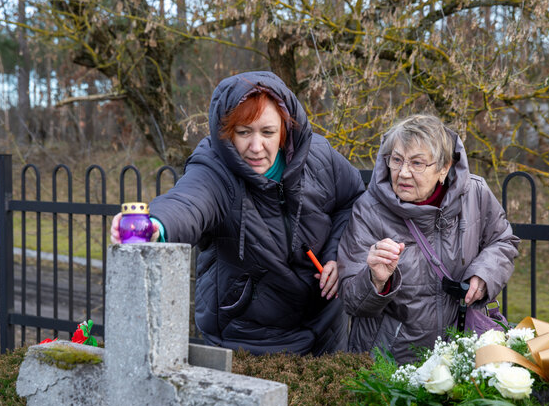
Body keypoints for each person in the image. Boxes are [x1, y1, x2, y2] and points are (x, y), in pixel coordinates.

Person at [110, 71, 365, 356]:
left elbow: (353, 201)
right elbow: (187, 203)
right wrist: (156, 225)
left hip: (326, 334)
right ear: (228, 131)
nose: (256, 147)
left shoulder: (319, 156)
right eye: (244, 132)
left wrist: (337, 255)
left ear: (285, 128)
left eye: (267, 132)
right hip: (249, 342)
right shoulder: (215, 169)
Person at [337, 114, 519, 364]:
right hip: (390, 363)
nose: (403, 173)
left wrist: (484, 275)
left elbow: (503, 241)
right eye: (396, 160)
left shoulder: (475, 194)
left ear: (444, 168)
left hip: (460, 356)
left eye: (417, 163)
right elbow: (352, 302)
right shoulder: (369, 210)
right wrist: (374, 280)